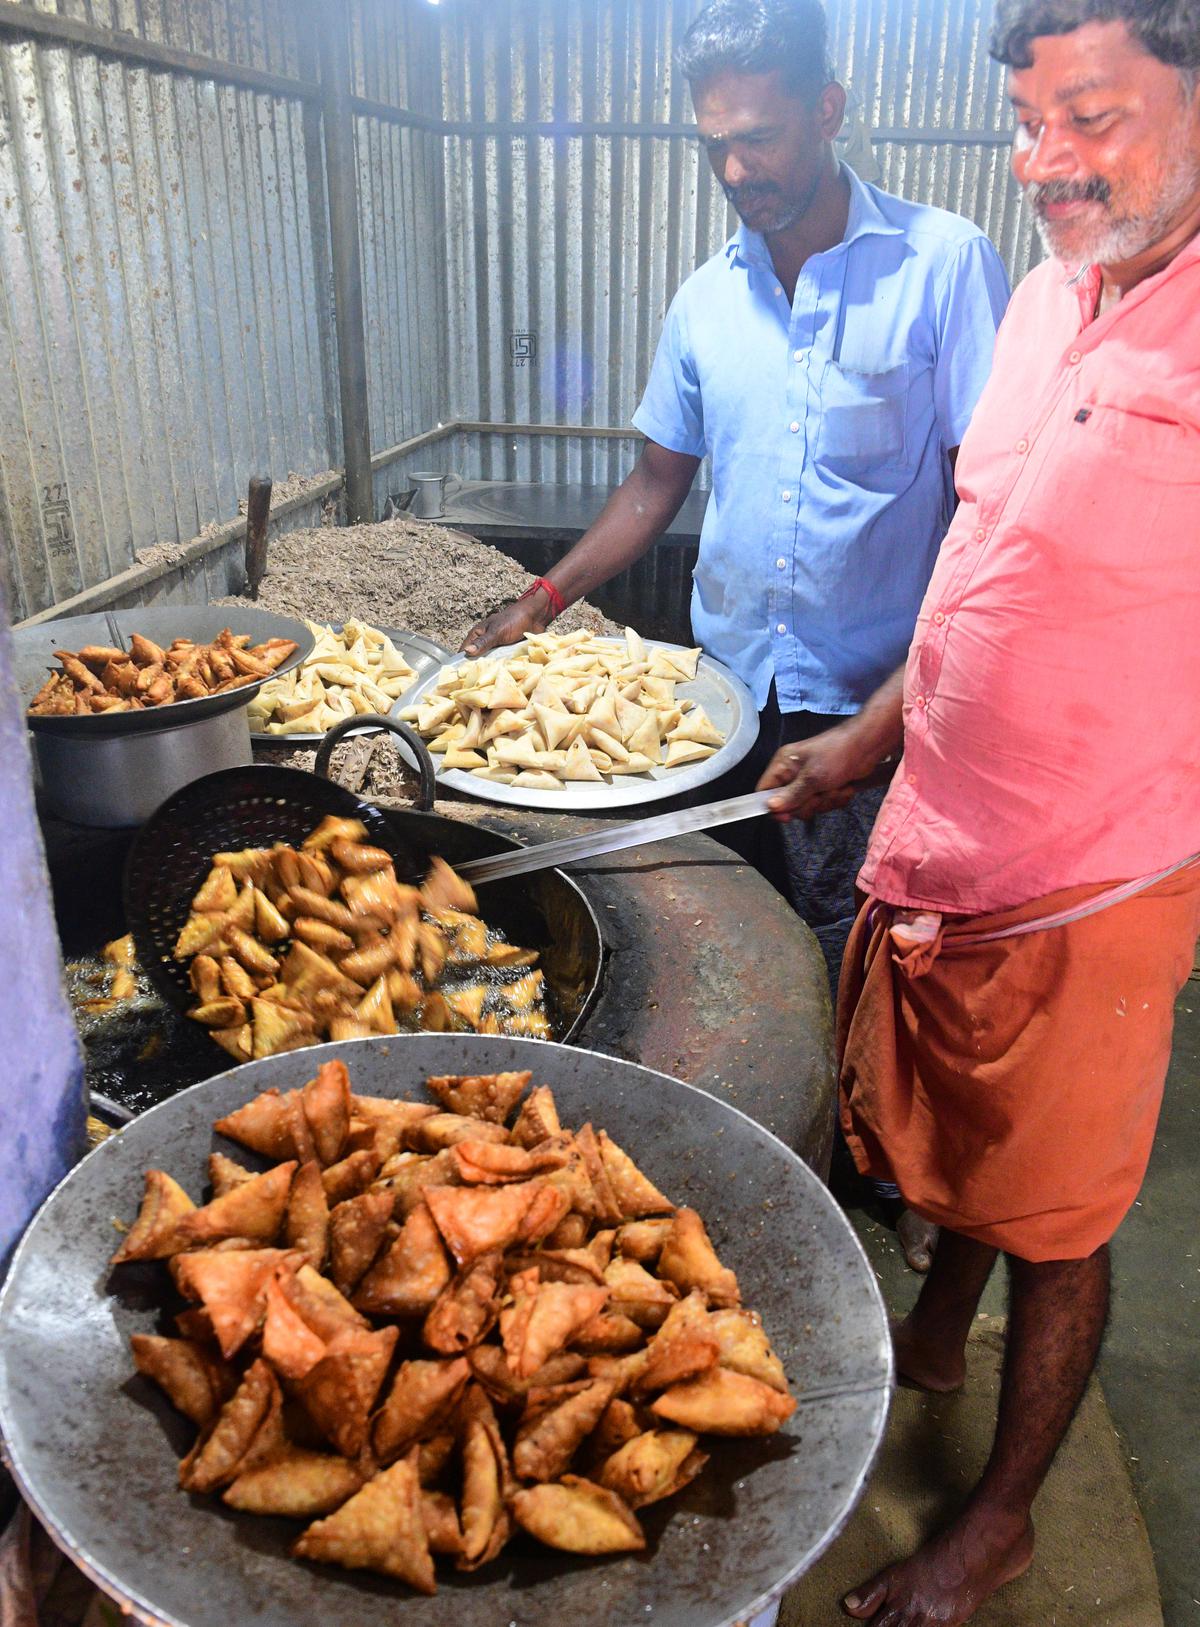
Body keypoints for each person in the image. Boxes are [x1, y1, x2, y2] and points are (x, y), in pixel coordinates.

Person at [758, 0, 1200, 1619]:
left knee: (1062, 1213)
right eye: (1030, 122)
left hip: (1094, 879)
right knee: (959, 1144)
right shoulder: (1039, 302)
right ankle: (938, 1332)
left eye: (1094, 116)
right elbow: (974, 560)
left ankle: (995, 1518)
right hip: (948, 838)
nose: (1050, 162)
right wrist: (869, 741)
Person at [462, 0, 1010, 1034]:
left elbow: (992, 525)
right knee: (727, 947)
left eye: (759, 138)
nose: (735, 172)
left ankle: (851, 1164)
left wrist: (875, 729)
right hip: (723, 707)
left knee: (858, 958)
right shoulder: (706, 301)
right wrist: (537, 601)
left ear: (829, 109)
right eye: (715, 145)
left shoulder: (942, 268)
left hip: (874, 712)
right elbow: (651, 487)